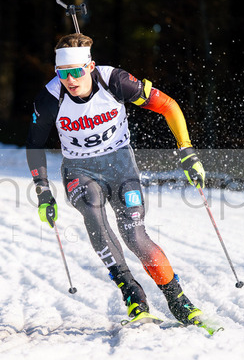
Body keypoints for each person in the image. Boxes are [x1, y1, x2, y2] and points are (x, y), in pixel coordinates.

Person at [26, 33, 206, 324]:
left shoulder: (115, 81)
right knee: (92, 210)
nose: (70, 80)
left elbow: (168, 105)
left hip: (121, 166)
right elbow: (34, 145)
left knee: (135, 235)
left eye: (76, 72)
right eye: (62, 73)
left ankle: (177, 299)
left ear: (90, 66)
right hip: (79, 170)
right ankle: (133, 294)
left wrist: (186, 151)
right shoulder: (49, 98)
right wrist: (43, 191)